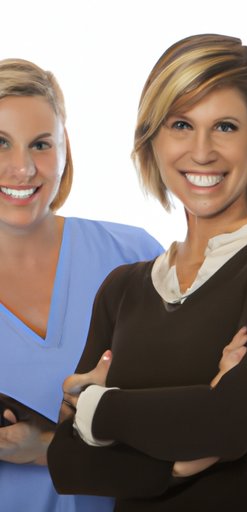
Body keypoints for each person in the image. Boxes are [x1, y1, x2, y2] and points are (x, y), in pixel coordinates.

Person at [47, 33, 247, 511]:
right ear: (153, 139)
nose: (202, 152)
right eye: (181, 125)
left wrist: (97, 406)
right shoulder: (122, 289)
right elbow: (67, 462)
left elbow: (229, 425)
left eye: (225, 127)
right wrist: (177, 462)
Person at [0, 59, 163, 511]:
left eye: (40, 144)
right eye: (0, 143)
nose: (22, 169)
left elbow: (193, 425)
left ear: (64, 149)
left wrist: (47, 445)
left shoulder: (134, 256)